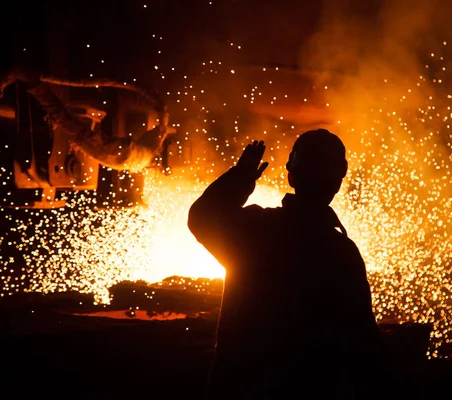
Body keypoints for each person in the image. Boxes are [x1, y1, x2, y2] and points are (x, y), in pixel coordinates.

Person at [188, 130, 385, 399]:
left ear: (291, 175)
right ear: (338, 183)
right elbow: (363, 341)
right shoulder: (341, 253)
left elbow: (201, 218)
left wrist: (242, 176)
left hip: (242, 389)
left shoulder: (255, 231)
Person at [6, 69, 174, 173]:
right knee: (78, 132)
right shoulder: (149, 154)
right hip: (121, 157)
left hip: (123, 153)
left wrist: (162, 114)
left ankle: (33, 84)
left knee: (79, 132)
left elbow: (160, 129)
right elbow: (160, 130)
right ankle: (34, 85)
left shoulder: (153, 147)